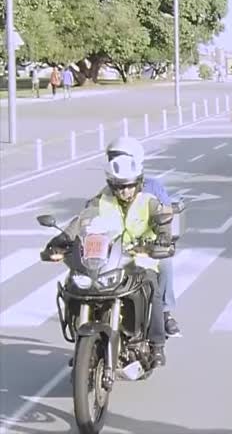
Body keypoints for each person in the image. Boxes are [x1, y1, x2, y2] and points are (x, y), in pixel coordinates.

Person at [40, 139, 174, 366]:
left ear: (138, 182)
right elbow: (81, 221)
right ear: (111, 184)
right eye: (119, 186)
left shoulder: (149, 202)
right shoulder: (101, 201)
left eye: (129, 185)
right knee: (74, 286)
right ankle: (82, 343)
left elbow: (164, 222)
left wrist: (162, 239)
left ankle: (157, 344)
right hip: (109, 259)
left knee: (152, 290)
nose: (125, 190)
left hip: (140, 259)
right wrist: (62, 240)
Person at [105, 137, 181, 337]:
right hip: (116, 249)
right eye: (112, 157)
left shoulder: (152, 187)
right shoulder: (108, 190)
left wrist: (161, 240)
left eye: (119, 156)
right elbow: (90, 214)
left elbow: (165, 215)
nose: (115, 161)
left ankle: (165, 313)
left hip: (145, 249)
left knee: (165, 264)